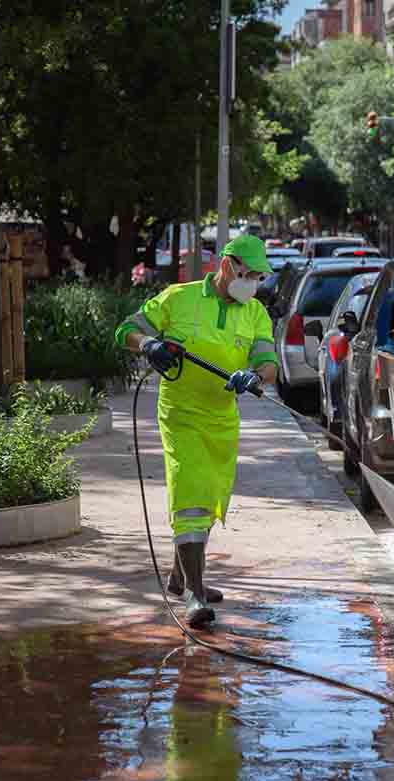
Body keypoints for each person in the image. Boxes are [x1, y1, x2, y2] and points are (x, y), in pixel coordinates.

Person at [114, 234, 278, 628]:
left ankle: (178, 577)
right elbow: (127, 330)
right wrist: (149, 344)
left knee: (209, 497)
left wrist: (253, 376)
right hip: (181, 413)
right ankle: (194, 594)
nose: (254, 282)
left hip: (222, 418)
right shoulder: (178, 298)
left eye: (259, 277)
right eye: (250, 274)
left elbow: (268, 363)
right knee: (189, 494)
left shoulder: (254, 312)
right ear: (228, 266)